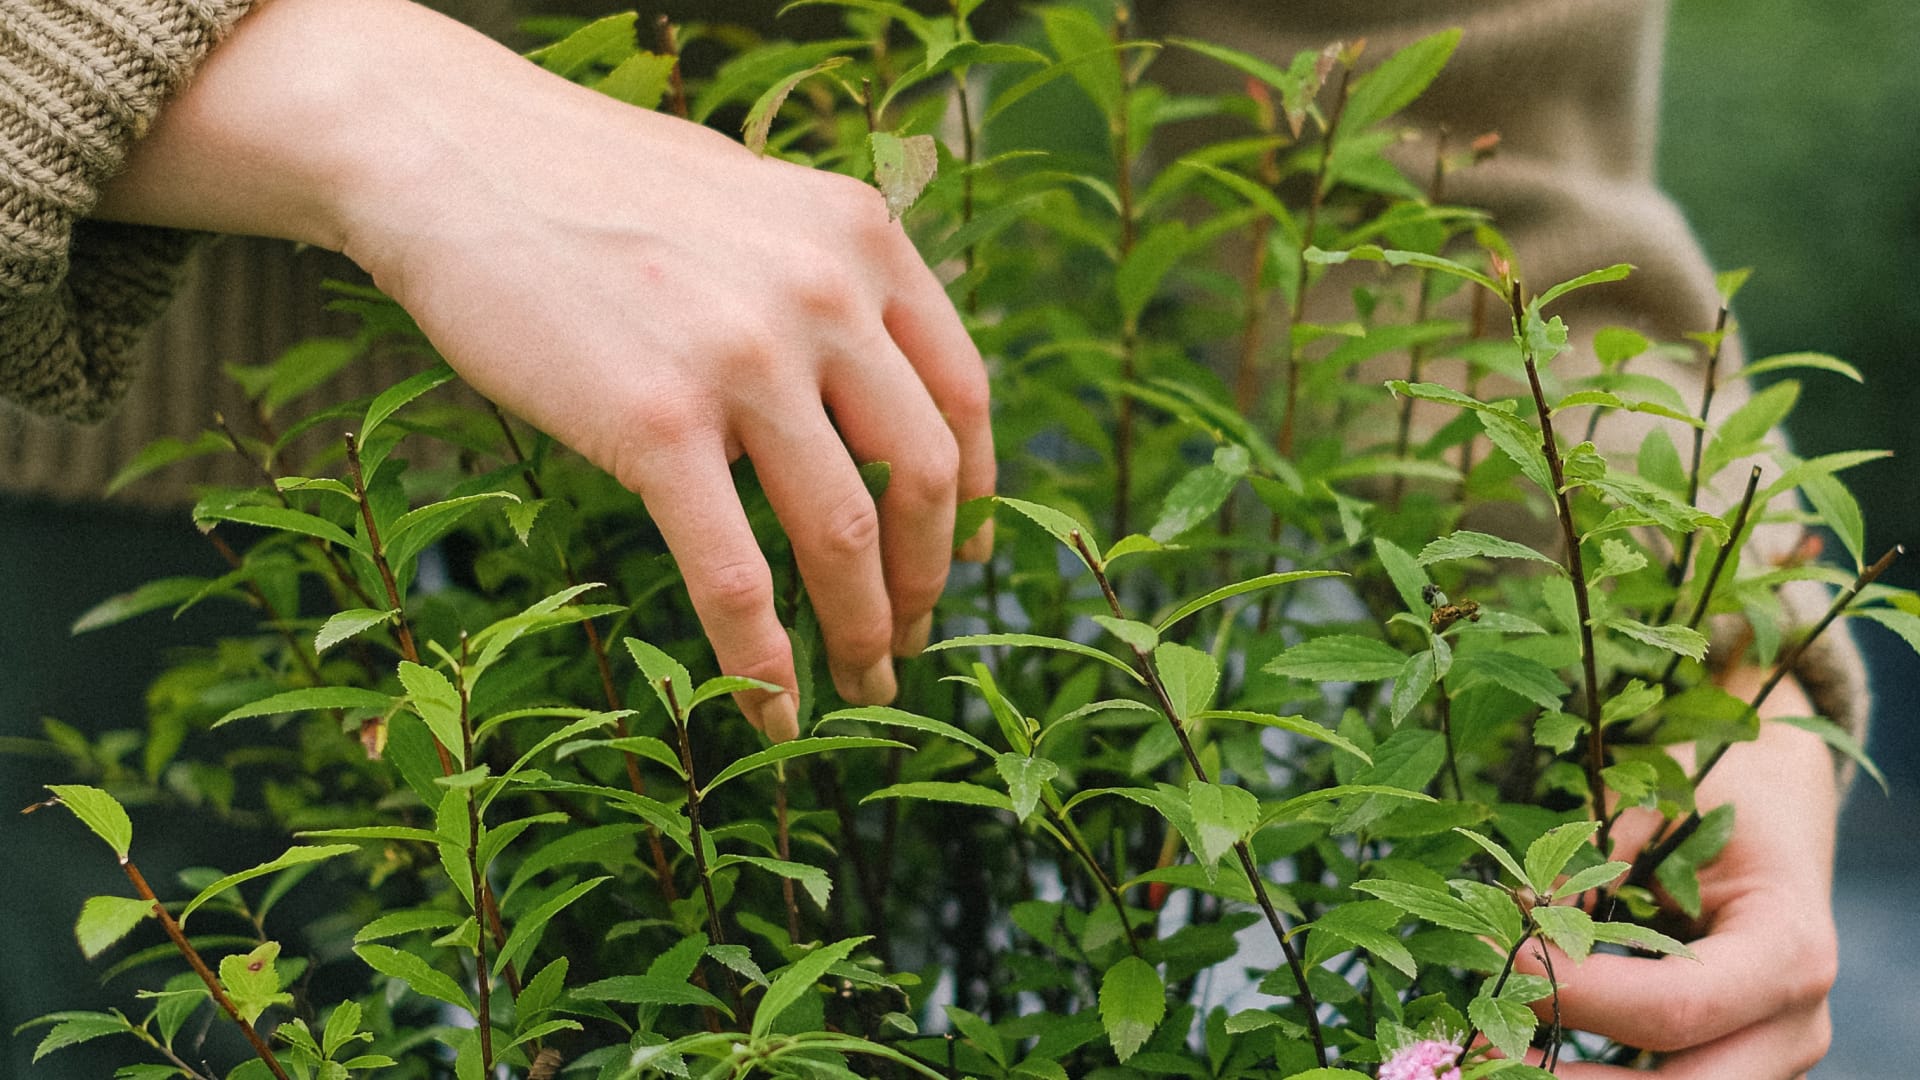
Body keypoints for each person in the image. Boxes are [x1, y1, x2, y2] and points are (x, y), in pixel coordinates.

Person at [0, 1, 1857, 1075]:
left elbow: (1434, 119)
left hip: (853, 563)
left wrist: (1668, 618)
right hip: (108, 544)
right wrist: (337, 91)